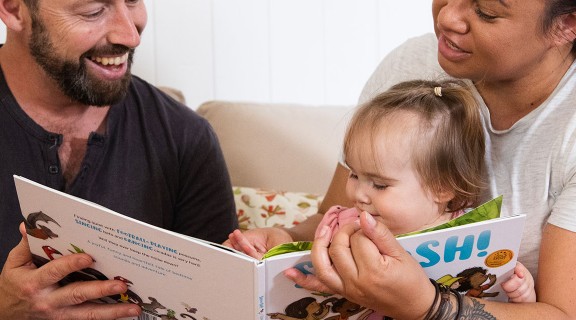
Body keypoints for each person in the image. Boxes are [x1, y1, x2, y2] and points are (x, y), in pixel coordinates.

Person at [227, 0, 576, 318]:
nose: (447, 17)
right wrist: (283, 241)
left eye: (486, 11)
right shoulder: (414, 65)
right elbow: (328, 216)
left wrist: (428, 305)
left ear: (568, 25)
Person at [0, 0, 237, 319]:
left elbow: (220, 302)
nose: (131, 36)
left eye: (133, 2)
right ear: (15, 10)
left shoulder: (185, 135)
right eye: (93, 11)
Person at [313, 79, 535, 304]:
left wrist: (521, 292)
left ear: (442, 188)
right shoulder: (342, 227)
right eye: (354, 174)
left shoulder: (478, 235)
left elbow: (498, 297)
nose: (357, 194)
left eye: (379, 184)